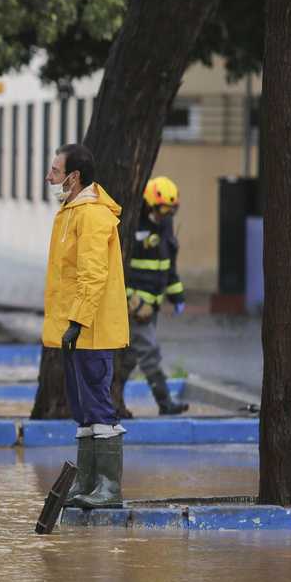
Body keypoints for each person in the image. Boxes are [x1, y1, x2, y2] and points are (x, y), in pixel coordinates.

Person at [43, 143, 130, 510]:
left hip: (89, 331)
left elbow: (92, 275)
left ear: (74, 177)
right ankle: (89, 482)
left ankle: (109, 488)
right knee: (82, 408)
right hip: (76, 331)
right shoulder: (71, 212)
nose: (50, 177)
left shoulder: (91, 216)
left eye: (55, 171)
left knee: (99, 405)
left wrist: (77, 323)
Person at [121, 175, 189, 415]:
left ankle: (111, 400)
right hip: (134, 306)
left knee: (129, 357)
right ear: (148, 204)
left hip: (154, 305)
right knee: (150, 351)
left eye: (171, 211)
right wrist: (127, 299)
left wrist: (177, 296)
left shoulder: (165, 225)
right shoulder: (132, 223)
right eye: (162, 210)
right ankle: (165, 403)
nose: (166, 215)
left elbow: (168, 267)